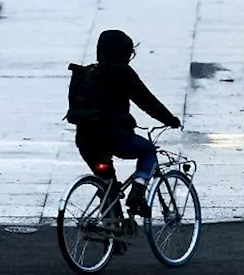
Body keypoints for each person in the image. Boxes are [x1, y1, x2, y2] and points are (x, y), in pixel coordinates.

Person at [68, 29, 182, 218]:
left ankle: (112, 235)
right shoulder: (122, 72)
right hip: (114, 137)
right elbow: (147, 101)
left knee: (107, 185)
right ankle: (137, 192)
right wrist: (170, 120)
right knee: (147, 150)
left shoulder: (85, 74)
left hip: (86, 141)